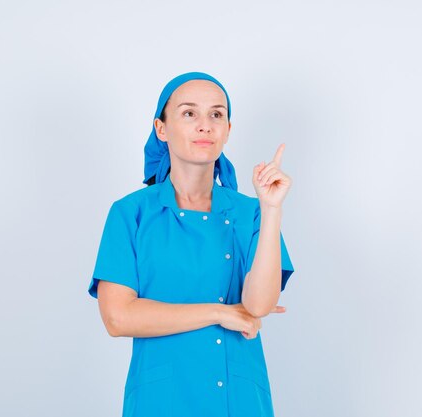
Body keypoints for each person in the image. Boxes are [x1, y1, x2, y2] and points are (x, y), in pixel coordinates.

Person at [87, 71, 295, 417]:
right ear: (161, 128)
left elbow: (258, 305)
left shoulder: (251, 212)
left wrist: (271, 208)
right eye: (189, 113)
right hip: (161, 400)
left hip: (239, 399)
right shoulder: (131, 214)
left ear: (228, 130)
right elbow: (118, 317)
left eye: (216, 114)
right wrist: (220, 312)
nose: (205, 125)